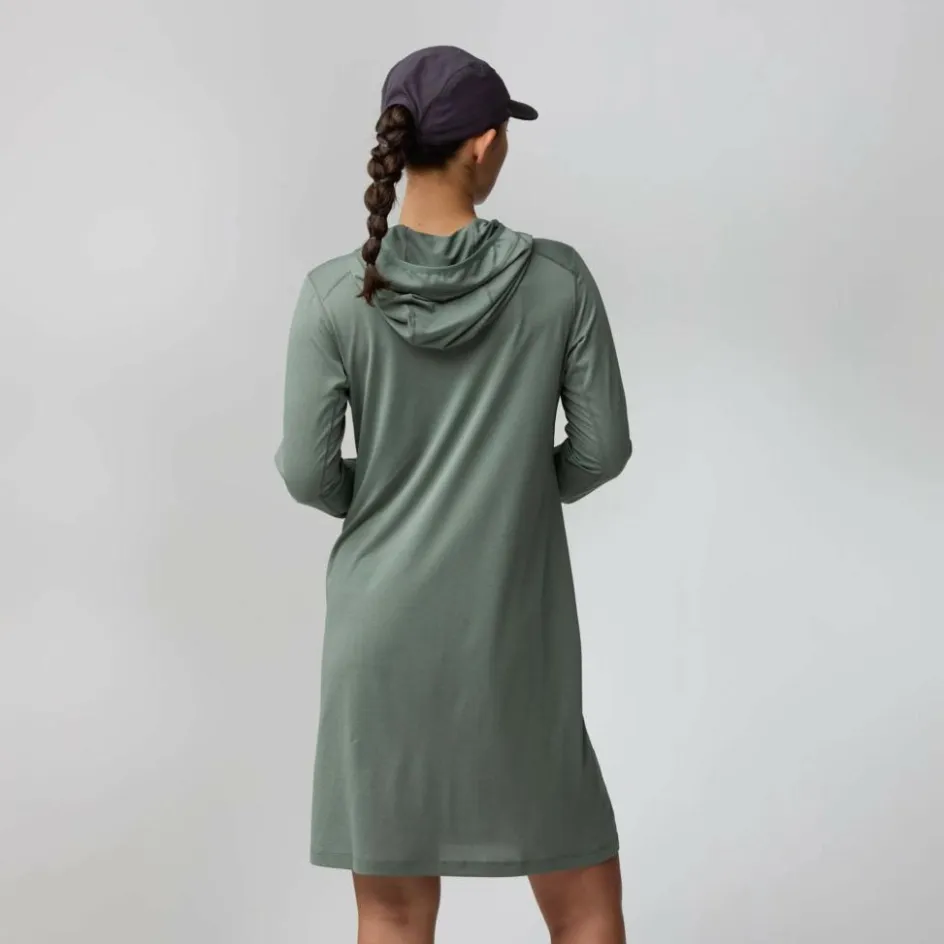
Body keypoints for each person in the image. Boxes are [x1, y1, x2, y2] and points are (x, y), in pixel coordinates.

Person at [276, 45, 631, 944]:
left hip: (381, 645)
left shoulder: (334, 295)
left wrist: (385, 495)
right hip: (513, 641)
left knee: (392, 914)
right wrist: (517, 488)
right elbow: (603, 450)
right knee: (584, 907)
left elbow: (307, 473)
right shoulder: (556, 281)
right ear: (482, 144)